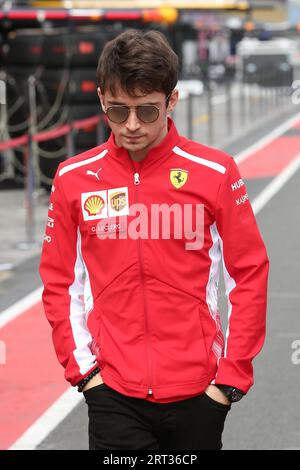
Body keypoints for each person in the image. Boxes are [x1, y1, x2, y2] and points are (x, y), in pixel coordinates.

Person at [39, 29, 269, 450]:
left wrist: (228, 382)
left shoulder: (215, 173)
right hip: (113, 395)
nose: (130, 125)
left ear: (172, 100)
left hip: (199, 395)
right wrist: (86, 375)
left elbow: (249, 275)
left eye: (146, 111)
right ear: (101, 100)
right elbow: (59, 283)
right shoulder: (73, 179)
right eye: (117, 110)